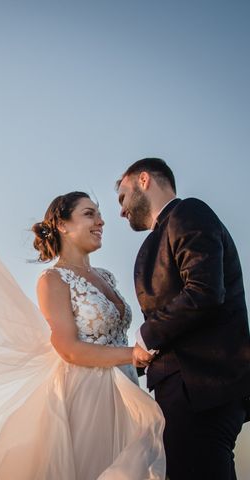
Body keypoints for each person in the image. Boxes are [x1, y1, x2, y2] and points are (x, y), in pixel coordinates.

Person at [0, 191, 166, 479]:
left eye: (99, 214)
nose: (101, 221)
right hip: (88, 394)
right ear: (63, 225)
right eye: (89, 214)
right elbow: (67, 347)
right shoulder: (53, 280)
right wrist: (132, 354)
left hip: (125, 388)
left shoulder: (107, 276)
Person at [117, 157, 250, 480]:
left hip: (203, 385)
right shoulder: (160, 235)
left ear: (143, 180)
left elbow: (204, 291)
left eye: (122, 196)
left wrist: (147, 337)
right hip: (184, 388)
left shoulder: (188, 212)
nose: (120, 210)